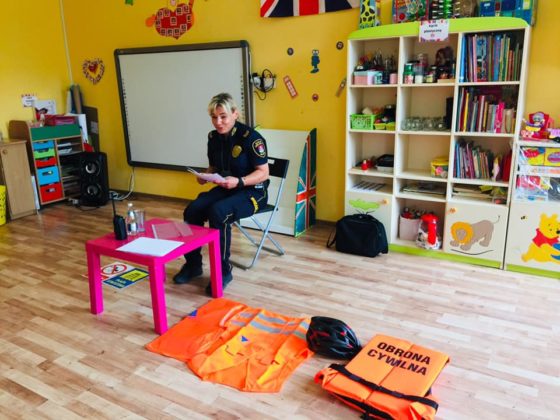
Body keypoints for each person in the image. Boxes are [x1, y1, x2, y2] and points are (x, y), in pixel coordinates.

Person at [174, 93, 269, 295]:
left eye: (223, 116)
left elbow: (263, 173)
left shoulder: (251, 138)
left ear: (235, 114)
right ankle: (193, 264)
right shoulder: (213, 138)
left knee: (219, 212)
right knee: (192, 210)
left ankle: (223, 271)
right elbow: (214, 166)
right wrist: (205, 175)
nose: (218, 122)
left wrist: (239, 181)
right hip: (227, 187)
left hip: (253, 191)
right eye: (214, 117)